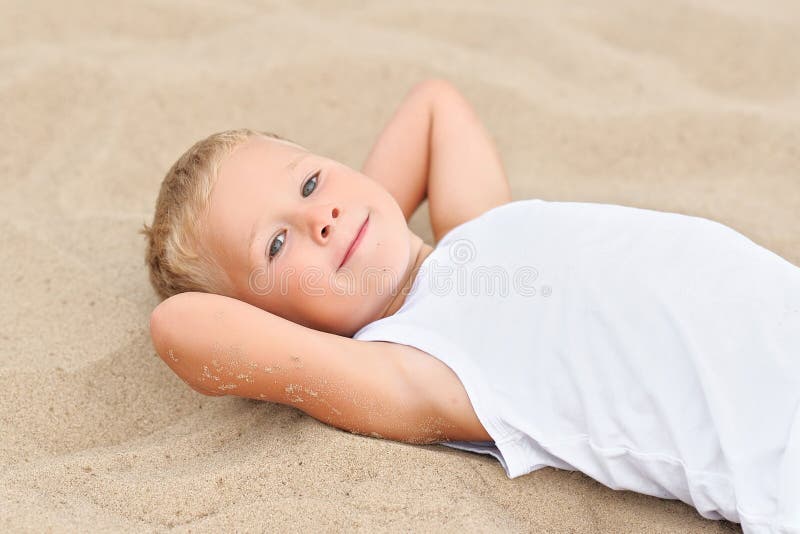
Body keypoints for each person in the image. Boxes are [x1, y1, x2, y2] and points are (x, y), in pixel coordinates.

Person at [141, 79, 800, 533]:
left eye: (313, 180)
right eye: (277, 243)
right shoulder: (414, 371)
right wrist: (330, 327)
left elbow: (435, 105)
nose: (324, 216)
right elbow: (181, 328)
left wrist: (363, 230)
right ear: (269, 326)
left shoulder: (474, 227)